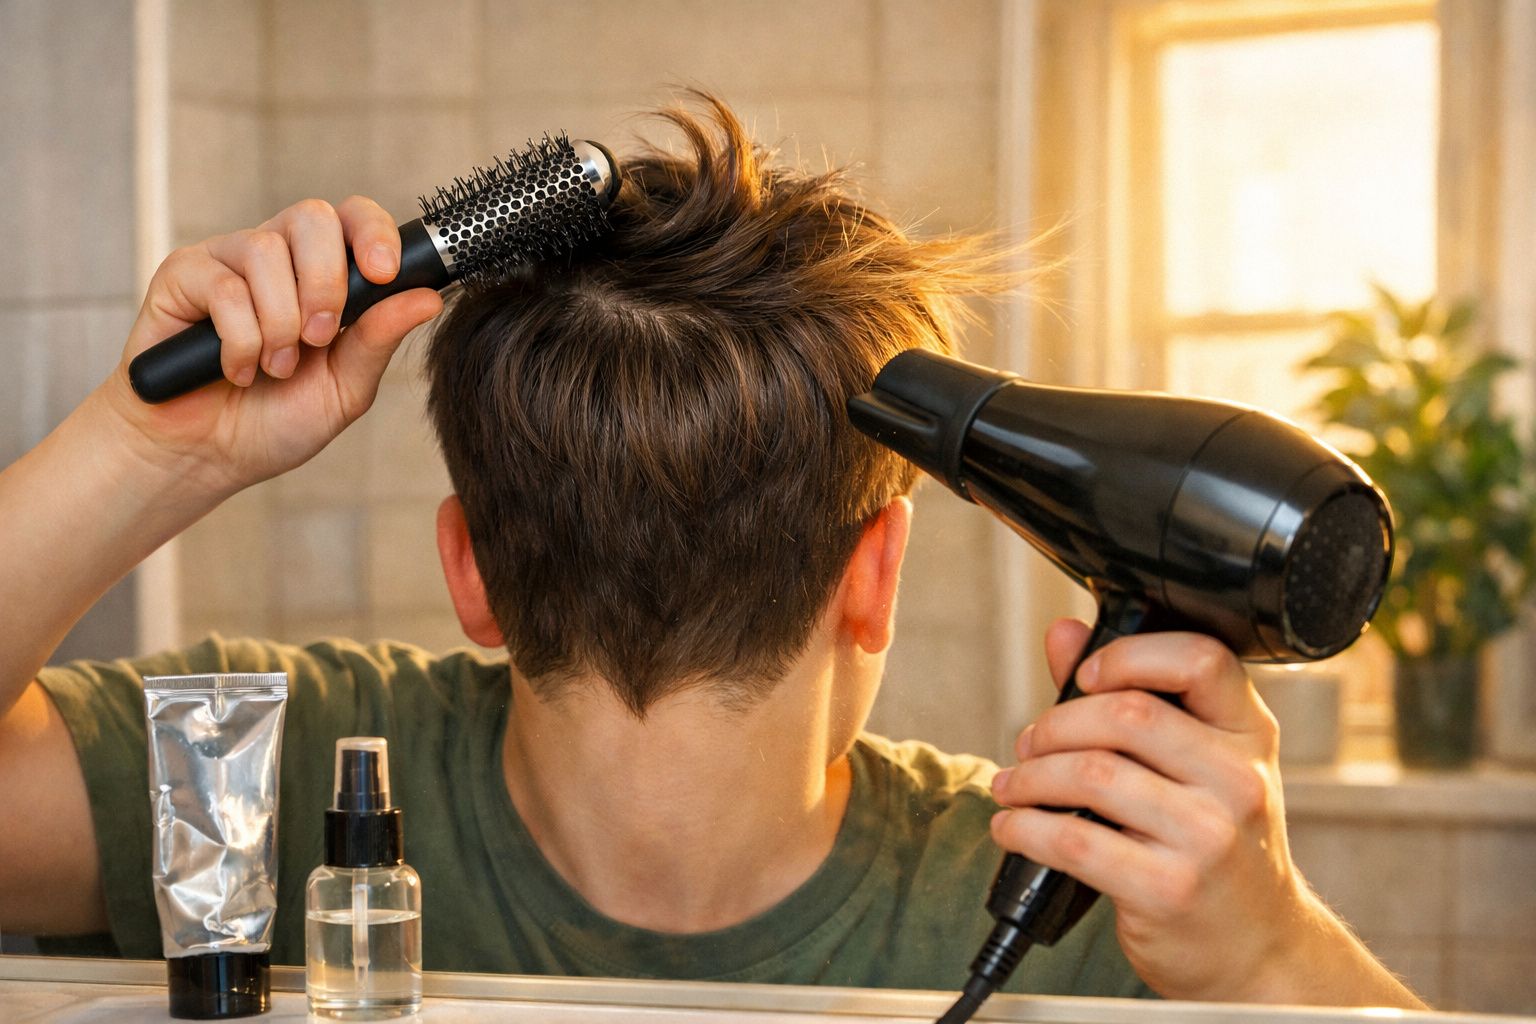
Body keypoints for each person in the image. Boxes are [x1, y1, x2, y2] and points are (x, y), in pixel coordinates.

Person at [0, 94, 1422, 1007]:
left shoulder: (261, 761)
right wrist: (1271, 950)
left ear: (469, 573)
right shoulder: (1116, 902)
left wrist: (140, 457)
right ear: (881, 574)